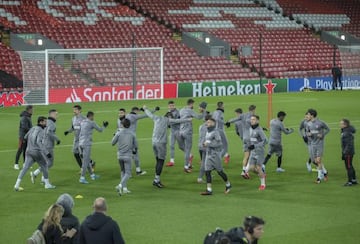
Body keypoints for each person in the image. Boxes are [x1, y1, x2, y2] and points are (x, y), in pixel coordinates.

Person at [143, 105, 192, 188]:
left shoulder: (157, 118)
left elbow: (149, 114)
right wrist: (188, 119)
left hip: (154, 142)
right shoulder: (168, 120)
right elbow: (178, 120)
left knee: (158, 160)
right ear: (169, 117)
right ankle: (156, 180)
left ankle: (156, 178)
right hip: (161, 144)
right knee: (161, 161)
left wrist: (145, 109)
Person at [14, 116, 56, 191]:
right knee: (45, 166)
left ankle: (17, 185)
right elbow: (38, 142)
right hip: (36, 152)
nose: (46, 123)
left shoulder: (32, 128)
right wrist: (46, 153)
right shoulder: (41, 131)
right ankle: (47, 184)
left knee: (25, 168)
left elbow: (25, 137)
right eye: (45, 122)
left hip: (28, 151)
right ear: (41, 122)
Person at [200, 118, 231, 195]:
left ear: (213, 123)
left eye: (209, 122)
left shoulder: (215, 132)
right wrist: (204, 144)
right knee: (207, 171)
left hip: (215, 155)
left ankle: (228, 185)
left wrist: (208, 144)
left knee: (220, 172)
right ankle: (209, 190)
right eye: (207, 122)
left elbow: (219, 144)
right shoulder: (208, 131)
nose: (207, 123)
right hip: (208, 154)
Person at [31, 109, 61, 184]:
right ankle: (35, 173)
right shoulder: (51, 123)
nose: (57, 116)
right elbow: (48, 132)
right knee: (50, 163)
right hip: (48, 145)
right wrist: (57, 139)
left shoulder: (47, 122)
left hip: (43, 144)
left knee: (46, 162)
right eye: (56, 114)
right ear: (52, 114)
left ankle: (43, 179)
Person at [78, 111, 108, 184]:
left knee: (87, 160)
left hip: (80, 143)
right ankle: (82, 177)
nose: (93, 117)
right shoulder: (92, 122)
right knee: (85, 161)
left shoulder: (82, 122)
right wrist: (104, 126)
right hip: (86, 143)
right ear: (91, 116)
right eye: (93, 116)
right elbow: (100, 130)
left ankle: (92, 175)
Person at [64, 105, 95, 172]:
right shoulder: (73, 119)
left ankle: (91, 163)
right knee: (75, 153)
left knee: (82, 154)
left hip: (83, 139)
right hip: (76, 139)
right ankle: (82, 167)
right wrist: (68, 131)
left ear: (80, 110)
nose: (74, 111)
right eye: (73, 110)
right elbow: (73, 128)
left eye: (76, 110)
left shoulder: (84, 119)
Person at [126, 106, 156, 175]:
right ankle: (138, 171)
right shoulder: (134, 116)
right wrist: (154, 109)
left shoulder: (127, 115)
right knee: (135, 154)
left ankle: (127, 172)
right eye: (138, 111)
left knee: (127, 154)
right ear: (136, 111)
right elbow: (146, 115)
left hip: (126, 137)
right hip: (132, 138)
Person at [179, 99, 206, 173]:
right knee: (188, 149)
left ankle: (189, 159)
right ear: (191, 104)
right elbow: (199, 117)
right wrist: (204, 111)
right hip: (187, 132)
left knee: (181, 147)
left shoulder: (181, 110)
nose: (193, 106)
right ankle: (186, 166)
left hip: (180, 131)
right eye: (193, 104)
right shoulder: (190, 110)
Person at [112, 118, 137, 195]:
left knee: (123, 171)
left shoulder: (118, 133)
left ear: (122, 125)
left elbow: (112, 143)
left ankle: (125, 189)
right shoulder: (132, 133)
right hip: (128, 156)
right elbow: (135, 146)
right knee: (128, 173)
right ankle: (120, 185)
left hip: (120, 156)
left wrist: (115, 135)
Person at [305, 109, 330, 184]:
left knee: (318, 160)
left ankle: (319, 178)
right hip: (312, 144)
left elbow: (328, 129)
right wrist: (308, 135)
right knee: (315, 161)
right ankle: (325, 172)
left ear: (312, 115)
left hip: (319, 144)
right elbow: (307, 132)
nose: (307, 116)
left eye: (308, 115)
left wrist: (322, 135)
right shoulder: (308, 124)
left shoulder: (320, 123)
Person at [247, 115, 267, 190]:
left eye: (254, 119)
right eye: (251, 119)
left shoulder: (259, 130)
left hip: (259, 151)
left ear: (257, 121)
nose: (252, 121)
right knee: (252, 168)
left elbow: (265, 141)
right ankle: (262, 174)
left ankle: (263, 184)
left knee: (258, 168)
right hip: (253, 152)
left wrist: (255, 146)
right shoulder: (250, 129)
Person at [13, 105, 33, 170]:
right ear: (29, 110)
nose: (33, 111)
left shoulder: (28, 116)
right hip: (22, 136)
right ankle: (16, 164)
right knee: (20, 149)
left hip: (27, 136)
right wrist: (32, 129)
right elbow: (24, 127)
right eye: (32, 109)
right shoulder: (24, 117)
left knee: (26, 150)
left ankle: (25, 163)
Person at [340, 118, 357, 186]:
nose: (340, 125)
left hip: (348, 153)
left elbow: (348, 144)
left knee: (348, 166)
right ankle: (354, 180)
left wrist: (345, 153)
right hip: (348, 152)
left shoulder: (346, 133)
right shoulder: (346, 130)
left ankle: (350, 182)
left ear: (345, 125)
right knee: (350, 165)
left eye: (341, 124)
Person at [198, 113, 212, 183]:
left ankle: (208, 175)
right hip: (205, 147)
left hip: (200, 146)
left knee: (207, 162)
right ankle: (200, 178)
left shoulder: (201, 126)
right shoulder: (209, 127)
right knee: (205, 162)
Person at [166, 100, 181, 167]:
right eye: (170, 106)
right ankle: (172, 161)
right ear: (168, 106)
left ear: (174, 105)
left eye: (173, 105)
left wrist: (170, 122)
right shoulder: (168, 112)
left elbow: (179, 121)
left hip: (178, 131)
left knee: (181, 146)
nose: (171, 107)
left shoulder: (178, 112)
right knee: (171, 146)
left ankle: (189, 155)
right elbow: (167, 122)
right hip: (172, 131)